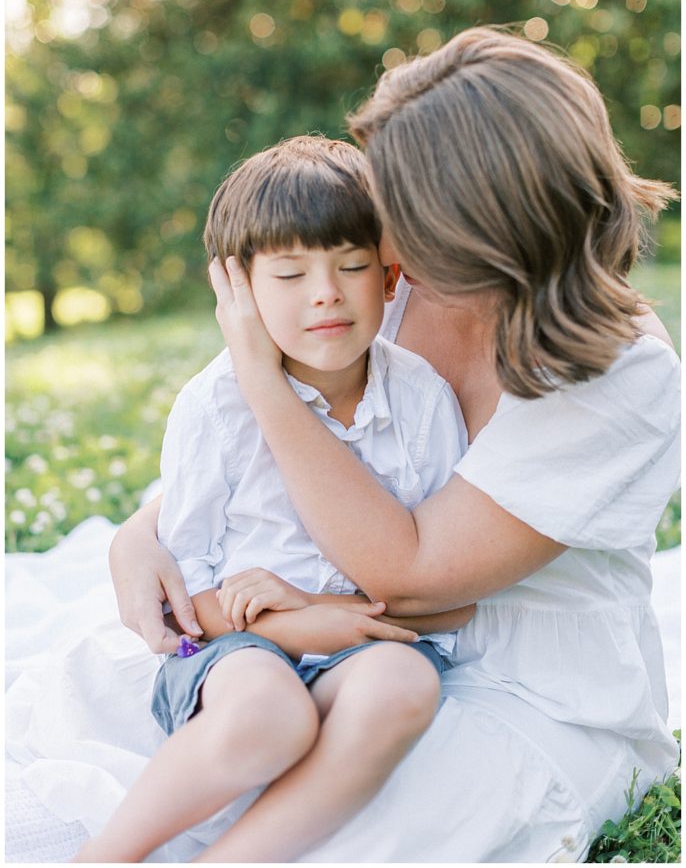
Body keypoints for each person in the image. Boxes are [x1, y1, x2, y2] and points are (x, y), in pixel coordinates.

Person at [110, 27, 680, 863]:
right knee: (191, 748)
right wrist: (144, 530)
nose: (379, 247)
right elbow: (294, 442)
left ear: (479, 226)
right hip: (324, 615)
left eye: (401, 214)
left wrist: (261, 380)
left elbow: (405, 569)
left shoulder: (622, 376)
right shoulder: (401, 282)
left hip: (519, 677)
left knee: (363, 834)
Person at [75, 135, 474, 863]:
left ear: (390, 279)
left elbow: (456, 591)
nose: (325, 292)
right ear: (240, 294)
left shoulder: (420, 400)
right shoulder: (217, 407)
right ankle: (105, 856)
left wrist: (323, 614)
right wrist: (297, 625)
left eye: (351, 267)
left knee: (402, 687)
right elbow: (185, 600)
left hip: (370, 647)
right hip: (238, 649)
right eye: (289, 274)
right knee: (269, 716)